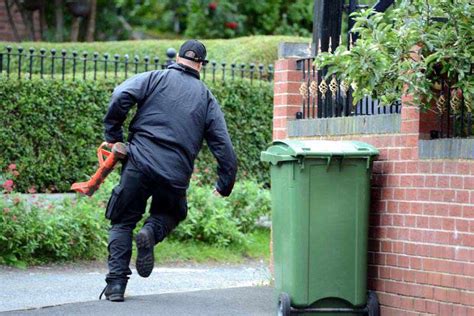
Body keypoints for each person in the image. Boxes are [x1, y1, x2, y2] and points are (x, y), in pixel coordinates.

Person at [99, 40, 238, 302]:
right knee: (171, 212)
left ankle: (116, 286)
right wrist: (225, 184)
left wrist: (113, 133)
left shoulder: (153, 78)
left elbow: (120, 95)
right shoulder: (206, 97)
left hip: (138, 163)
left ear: (177, 60)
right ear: (200, 65)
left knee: (123, 220)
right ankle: (150, 233)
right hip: (175, 173)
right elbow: (223, 145)